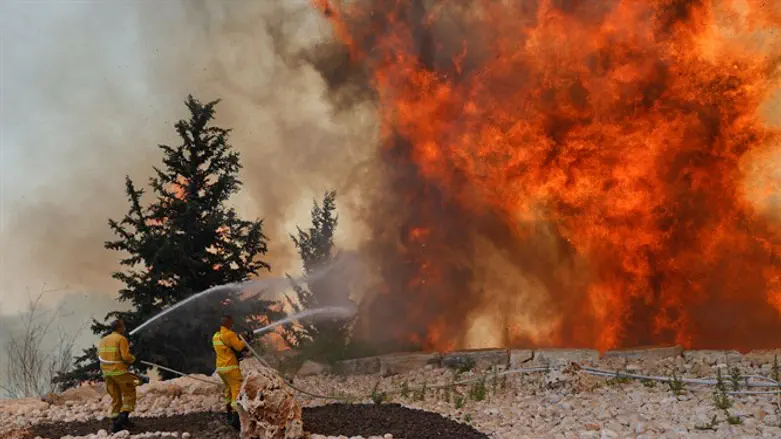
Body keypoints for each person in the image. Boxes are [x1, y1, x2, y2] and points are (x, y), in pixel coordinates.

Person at [97, 319, 138, 433]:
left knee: (116, 397)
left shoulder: (103, 340)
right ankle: (123, 418)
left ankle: (116, 423)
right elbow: (125, 357)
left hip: (106, 373)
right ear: (119, 328)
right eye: (123, 326)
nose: (124, 328)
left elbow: (100, 356)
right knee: (129, 393)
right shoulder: (121, 339)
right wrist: (133, 359)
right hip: (119, 372)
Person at [212, 315, 251, 430]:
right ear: (228, 323)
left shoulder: (216, 336)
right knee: (236, 391)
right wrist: (246, 338)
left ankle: (229, 414)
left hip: (221, 369)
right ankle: (236, 419)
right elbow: (239, 347)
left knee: (228, 390)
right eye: (231, 323)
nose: (232, 325)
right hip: (231, 368)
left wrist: (239, 337)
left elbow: (229, 346)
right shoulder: (229, 334)